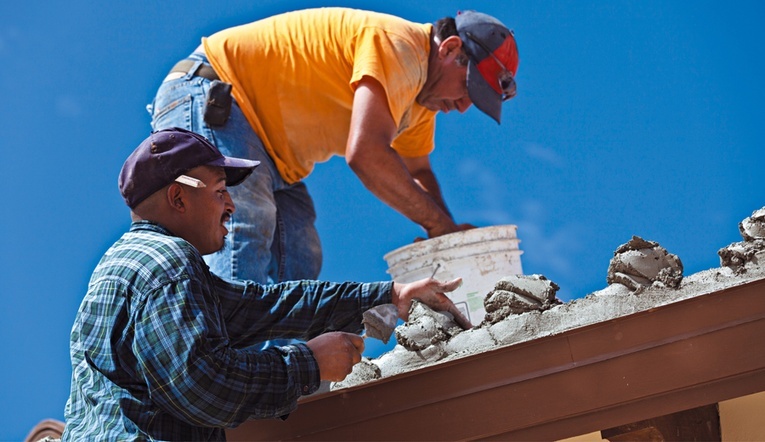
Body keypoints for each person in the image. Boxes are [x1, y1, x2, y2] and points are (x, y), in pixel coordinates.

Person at [62, 128, 470, 441]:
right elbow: (203, 385)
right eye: (220, 191)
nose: (231, 205)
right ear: (178, 198)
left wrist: (389, 296)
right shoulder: (168, 263)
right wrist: (308, 364)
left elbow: (268, 305)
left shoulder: (133, 266)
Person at [147, 8, 520, 285]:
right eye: (468, 88)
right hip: (213, 94)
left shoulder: (420, 102)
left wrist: (448, 231)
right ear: (451, 48)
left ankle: (290, 381)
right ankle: (225, 369)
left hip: (272, 157)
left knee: (299, 259)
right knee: (244, 226)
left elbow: (418, 171)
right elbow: (367, 155)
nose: (464, 105)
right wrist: (440, 227)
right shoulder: (400, 46)